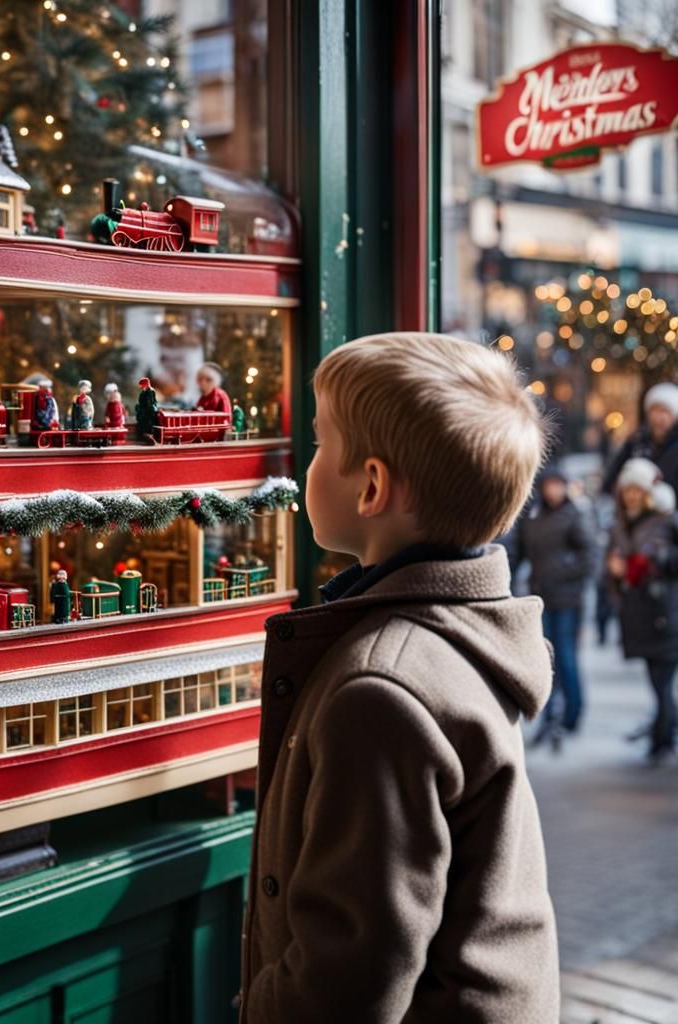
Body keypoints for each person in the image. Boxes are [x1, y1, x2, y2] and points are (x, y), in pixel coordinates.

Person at [240, 333, 558, 1023]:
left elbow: (349, 976)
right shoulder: (464, 628)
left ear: (374, 486)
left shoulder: (380, 692)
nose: (306, 465)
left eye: (321, 444)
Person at [517, 464, 595, 745]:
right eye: (548, 485)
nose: (552, 490)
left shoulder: (575, 515)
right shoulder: (533, 516)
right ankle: (548, 716)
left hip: (567, 599)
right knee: (544, 659)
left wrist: (562, 571)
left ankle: (572, 713)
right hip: (541, 597)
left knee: (566, 656)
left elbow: (589, 557)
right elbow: (520, 550)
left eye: (557, 485)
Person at [606, 457, 678, 763]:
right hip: (638, 613)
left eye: (637, 490)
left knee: (662, 682)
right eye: (628, 490)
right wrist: (616, 572)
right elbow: (610, 566)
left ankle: (662, 739)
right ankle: (662, 736)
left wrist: (648, 564)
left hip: (664, 611)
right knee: (656, 682)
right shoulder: (621, 524)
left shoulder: (665, 520)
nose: (632, 496)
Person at [603, 381, 678, 493]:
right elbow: (612, 477)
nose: (659, 418)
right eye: (655, 410)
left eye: (665, 411)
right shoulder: (636, 441)